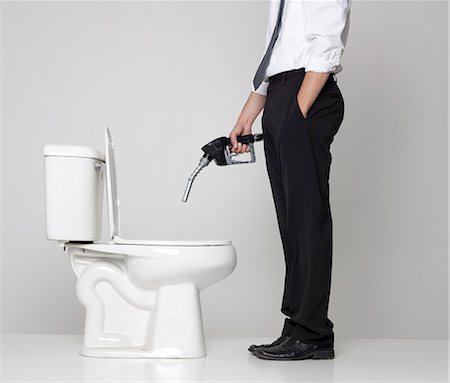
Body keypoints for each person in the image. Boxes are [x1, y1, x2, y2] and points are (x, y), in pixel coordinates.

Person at [229, 0, 352, 361]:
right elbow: (277, 52)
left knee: (306, 217)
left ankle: (314, 332)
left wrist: (298, 108)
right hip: (283, 92)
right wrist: (247, 116)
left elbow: (327, 40)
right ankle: (298, 325)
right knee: (291, 221)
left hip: (307, 91)